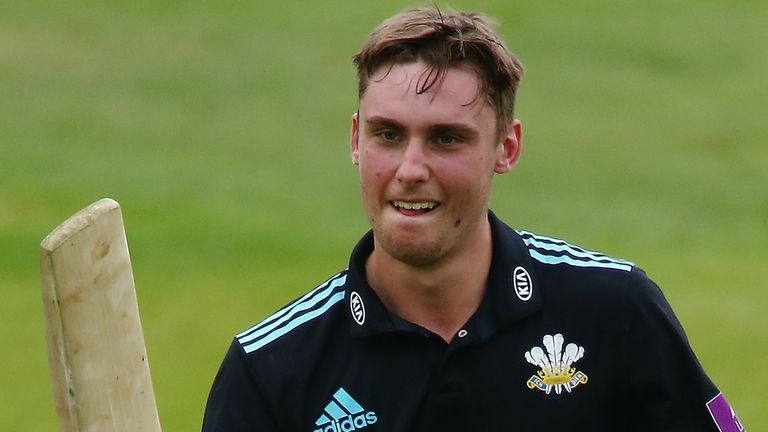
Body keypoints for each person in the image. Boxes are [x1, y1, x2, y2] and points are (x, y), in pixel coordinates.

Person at [203, 7, 745, 432]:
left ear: (505, 148)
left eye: (446, 138)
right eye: (387, 134)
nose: (410, 170)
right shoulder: (271, 369)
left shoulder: (615, 312)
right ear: (355, 141)